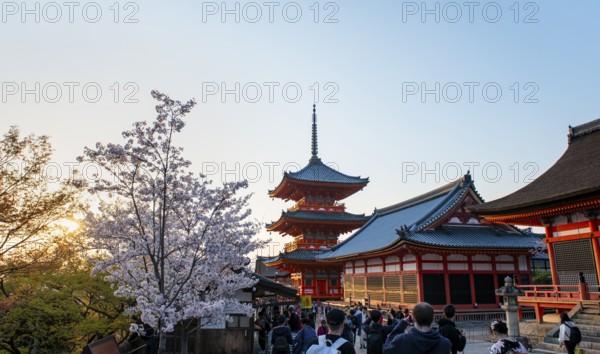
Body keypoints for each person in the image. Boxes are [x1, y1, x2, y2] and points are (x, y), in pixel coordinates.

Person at [383, 302, 451, 354]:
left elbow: (386, 350)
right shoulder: (445, 344)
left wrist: (400, 326)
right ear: (433, 318)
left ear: (414, 318)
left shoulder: (401, 340)